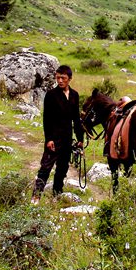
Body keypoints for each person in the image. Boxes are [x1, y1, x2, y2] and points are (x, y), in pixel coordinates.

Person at [34, 65, 84, 202]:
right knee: (46, 167)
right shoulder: (51, 95)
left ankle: (57, 193)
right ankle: (36, 196)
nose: (60, 81)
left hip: (67, 138)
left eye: (63, 78)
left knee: (62, 168)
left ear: (70, 79)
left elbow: (76, 119)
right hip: (54, 138)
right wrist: (48, 139)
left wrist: (80, 139)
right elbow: (46, 119)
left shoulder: (75, 95)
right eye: (58, 78)